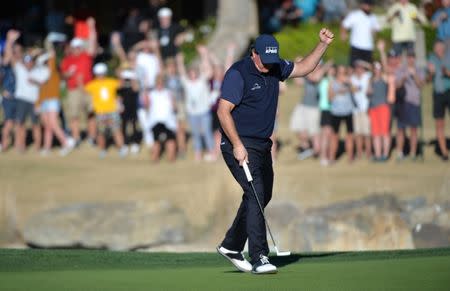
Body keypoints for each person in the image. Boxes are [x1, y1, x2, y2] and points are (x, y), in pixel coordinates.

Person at [216, 29, 334, 274]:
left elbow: (304, 68)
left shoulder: (275, 65)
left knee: (261, 195)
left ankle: (231, 245)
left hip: (262, 145)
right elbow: (222, 111)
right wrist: (237, 145)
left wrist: (322, 44)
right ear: (254, 54)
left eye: (273, 61)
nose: (270, 66)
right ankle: (259, 256)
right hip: (238, 143)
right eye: (265, 61)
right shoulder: (238, 73)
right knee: (256, 193)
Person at [4, 30, 47, 153]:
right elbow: (10, 56)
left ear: (33, 62)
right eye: (26, 61)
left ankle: (38, 147)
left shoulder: (39, 70)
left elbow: (44, 83)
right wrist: (10, 41)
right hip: (22, 100)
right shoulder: (20, 68)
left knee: (35, 124)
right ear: (24, 62)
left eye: (30, 61)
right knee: (20, 123)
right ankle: (20, 145)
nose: (28, 63)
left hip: (34, 101)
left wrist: (35, 82)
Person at [60, 17, 98, 147]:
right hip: (74, 89)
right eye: (75, 47)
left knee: (91, 113)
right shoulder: (67, 60)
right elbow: (63, 75)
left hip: (88, 88)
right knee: (74, 115)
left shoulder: (86, 56)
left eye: (79, 47)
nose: (77, 49)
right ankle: (76, 138)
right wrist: (67, 74)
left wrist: (92, 28)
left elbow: (92, 43)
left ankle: (92, 137)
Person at [36, 37, 75, 157]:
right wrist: (38, 103)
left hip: (53, 100)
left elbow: (52, 57)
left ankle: (66, 143)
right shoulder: (42, 73)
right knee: (47, 125)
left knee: (53, 123)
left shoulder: (53, 72)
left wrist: (49, 44)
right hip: (44, 101)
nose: (46, 63)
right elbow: (41, 92)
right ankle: (47, 148)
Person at [176, 46, 216, 162]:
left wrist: (204, 55)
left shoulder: (202, 80)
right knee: (196, 134)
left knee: (207, 132)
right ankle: (198, 154)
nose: (192, 75)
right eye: (191, 73)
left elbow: (209, 71)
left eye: (194, 73)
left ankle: (212, 152)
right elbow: (181, 72)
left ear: (197, 73)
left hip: (204, 112)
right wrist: (180, 61)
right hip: (192, 113)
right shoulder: (186, 82)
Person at [290, 58, 332, 160]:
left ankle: (317, 151)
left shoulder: (321, 75)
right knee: (297, 127)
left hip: (314, 108)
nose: (315, 66)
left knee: (314, 132)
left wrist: (305, 68)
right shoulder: (308, 74)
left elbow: (315, 78)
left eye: (317, 65)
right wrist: (297, 64)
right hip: (303, 105)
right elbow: (298, 82)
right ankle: (307, 147)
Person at [84, 63, 128, 159]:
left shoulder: (111, 82)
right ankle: (102, 150)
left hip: (112, 110)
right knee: (101, 132)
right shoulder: (92, 84)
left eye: (102, 73)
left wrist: (120, 75)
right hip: (100, 112)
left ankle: (121, 148)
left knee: (116, 130)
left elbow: (121, 84)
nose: (101, 75)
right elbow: (84, 91)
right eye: (99, 73)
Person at [427, 40, 450, 161]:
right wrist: (430, 73)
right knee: (439, 123)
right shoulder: (431, 58)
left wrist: (447, 72)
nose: (438, 49)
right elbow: (428, 79)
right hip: (438, 94)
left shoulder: (448, 56)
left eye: (440, 47)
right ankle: (444, 152)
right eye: (436, 48)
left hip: (448, 91)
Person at [147, 74, 178, 162]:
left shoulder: (168, 93)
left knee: (170, 140)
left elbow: (174, 107)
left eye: (161, 83)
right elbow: (147, 107)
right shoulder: (151, 94)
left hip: (168, 121)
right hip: (155, 121)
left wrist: (173, 105)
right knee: (156, 141)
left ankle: (171, 159)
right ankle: (154, 159)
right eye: (158, 83)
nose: (160, 84)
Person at [341, 0, 381, 66]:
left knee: (367, 68)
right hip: (356, 46)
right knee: (353, 67)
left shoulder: (373, 17)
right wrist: (343, 34)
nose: (368, 7)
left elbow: (376, 30)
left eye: (370, 5)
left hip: (368, 47)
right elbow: (344, 24)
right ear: (362, 5)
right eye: (367, 4)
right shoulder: (355, 15)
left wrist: (375, 38)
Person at [328, 65, 355, 163]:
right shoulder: (332, 83)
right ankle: (332, 158)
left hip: (348, 111)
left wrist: (349, 84)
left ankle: (350, 158)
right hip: (336, 112)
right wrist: (338, 92)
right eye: (340, 72)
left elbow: (356, 90)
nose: (342, 75)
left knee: (350, 135)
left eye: (344, 72)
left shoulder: (349, 81)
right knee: (334, 136)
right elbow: (329, 98)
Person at [351, 59, 372, 160]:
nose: (359, 69)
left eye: (360, 67)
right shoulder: (352, 78)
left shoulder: (367, 76)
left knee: (367, 133)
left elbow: (373, 68)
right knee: (358, 133)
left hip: (365, 109)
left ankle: (368, 153)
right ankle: (359, 153)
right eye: (357, 67)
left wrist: (364, 63)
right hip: (355, 110)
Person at [0, 35, 18, 153]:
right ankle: (4, 144)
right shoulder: (5, 66)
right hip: (8, 97)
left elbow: (9, 59)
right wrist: (10, 41)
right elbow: (7, 58)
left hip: (16, 97)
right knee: (9, 121)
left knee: (13, 122)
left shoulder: (13, 66)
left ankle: (9, 144)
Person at [117, 69, 140, 154]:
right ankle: (125, 144)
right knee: (124, 127)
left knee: (134, 127)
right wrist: (121, 78)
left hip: (133, 109)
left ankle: (135, 143)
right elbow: (118, 90)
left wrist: (133, 78)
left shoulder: (134, 84)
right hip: (124, 109)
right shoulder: (122, 85)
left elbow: (136, 89)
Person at [318, 64, 336, 166]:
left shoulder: (331, 80)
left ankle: (327, 156)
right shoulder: (325, 81)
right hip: (326, 109)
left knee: (328, 135)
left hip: (332, 110)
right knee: (326, 134)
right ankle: (324, 156)